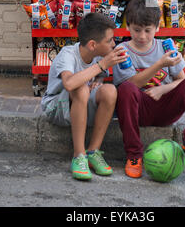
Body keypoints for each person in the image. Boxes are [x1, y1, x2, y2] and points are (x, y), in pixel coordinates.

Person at [112, 0, 185, 179]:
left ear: (157, 28)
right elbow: (131, 84)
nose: (142, 36)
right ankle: (134, 156)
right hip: (138, 110)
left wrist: (162, 89)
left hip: (166, 108)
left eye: (148, 30)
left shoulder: (166, 47)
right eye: (136, 30)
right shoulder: (122, 50)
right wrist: (159, 64)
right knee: (125, 89)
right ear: (127, 26)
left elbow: (183, 81)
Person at [41, 12, 127, 181]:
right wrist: (102, 65)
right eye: (109, 40)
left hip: (80, 108)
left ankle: (93, 152)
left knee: (110, 91)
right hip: (56, 108)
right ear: (93, 44)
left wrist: (99, 79)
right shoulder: (68, 54)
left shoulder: (98, 56)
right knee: (80, 88)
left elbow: (100, 75)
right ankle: (79, 155)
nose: (113, 44)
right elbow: (69, 84)